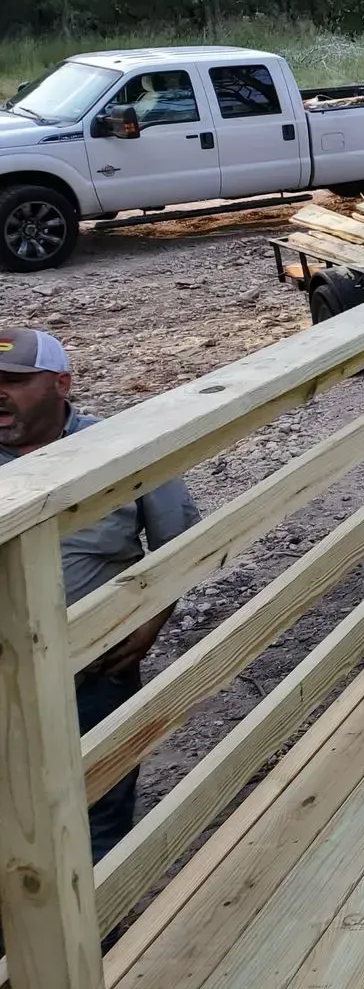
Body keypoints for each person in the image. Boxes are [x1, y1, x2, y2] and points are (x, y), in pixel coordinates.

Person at [0, 327, 199, 861]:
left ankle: (101, 937)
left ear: (61, 383)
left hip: (91, 672)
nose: (0, 393)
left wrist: (152, 617)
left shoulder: (117, 445)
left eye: (14, 381)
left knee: (98, 812)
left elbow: (179, 535)